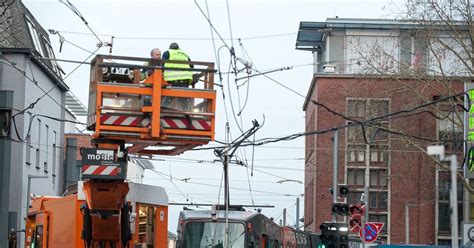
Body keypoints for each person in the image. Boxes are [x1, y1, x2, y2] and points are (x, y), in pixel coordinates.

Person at [162, 43, 194, 111]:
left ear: (170, 48)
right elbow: (191, 66)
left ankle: (162, 109)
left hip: (172, 80)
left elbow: (162, 65)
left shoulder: (167, 53)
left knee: (167, 99)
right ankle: (188, 112)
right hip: (184, 81)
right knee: (183, 98)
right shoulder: (184, 54)